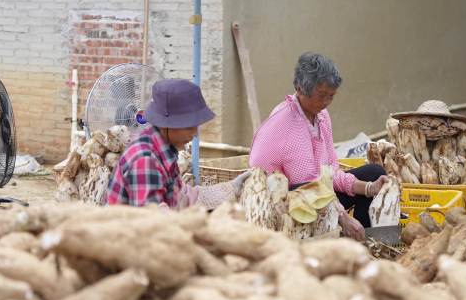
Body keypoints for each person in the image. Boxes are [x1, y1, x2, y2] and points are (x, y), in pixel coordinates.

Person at [249, 52, 388, 240]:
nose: (326, 102)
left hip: (316, 193)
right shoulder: (285, 124)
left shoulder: (321, 116)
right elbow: (309, 186)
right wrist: (343, 217)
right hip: (285, 202)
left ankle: (365, 243)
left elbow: (330, 173)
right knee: (308, 191)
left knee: (373, 172)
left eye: (331, 96)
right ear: (300, 89)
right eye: (322, 95)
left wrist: (368, 187)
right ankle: (341, 236)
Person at [106, 78, 249, 208]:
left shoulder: (164, 150)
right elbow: (151, 224)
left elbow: (183, 196)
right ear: (166, 125)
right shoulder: (146, 160)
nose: (195, 134)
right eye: (188, 127)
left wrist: (231, 189)